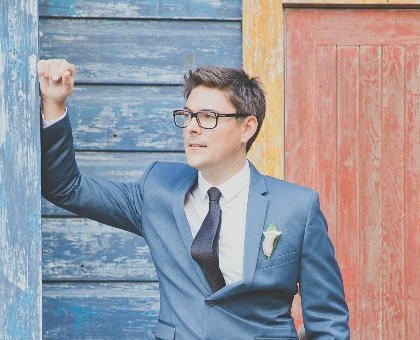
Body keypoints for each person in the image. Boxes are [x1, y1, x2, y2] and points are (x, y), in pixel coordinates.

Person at [38, 59, 350, 339]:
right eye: (187, 116)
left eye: (207, 117)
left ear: (247, 127)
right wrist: (54, 104)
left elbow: (327, 321)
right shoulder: (157, 191)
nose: (191, 128)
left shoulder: (296, 207)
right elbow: (66, 188)